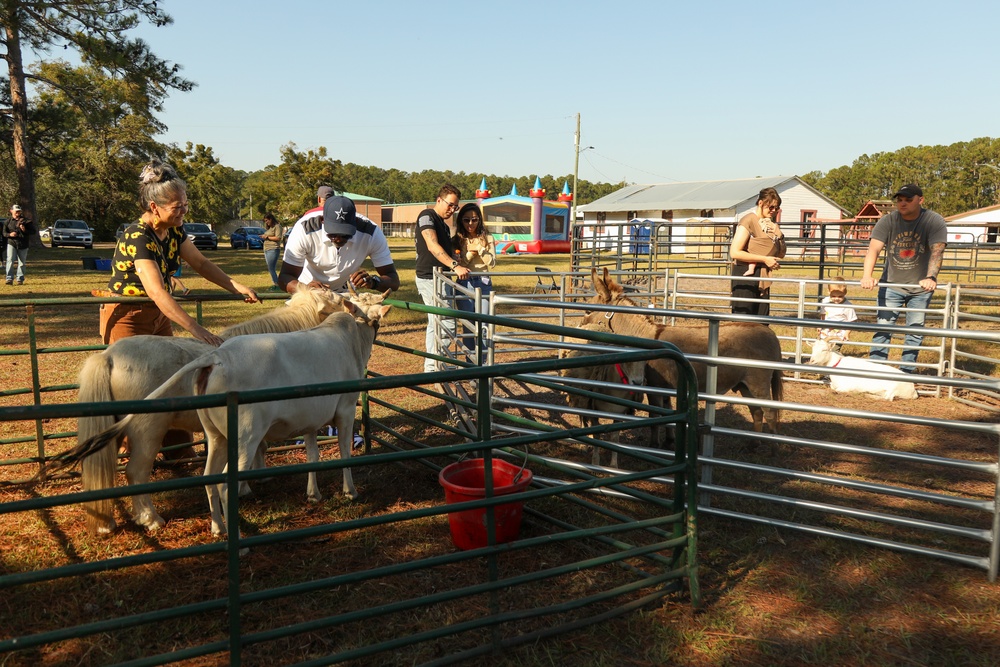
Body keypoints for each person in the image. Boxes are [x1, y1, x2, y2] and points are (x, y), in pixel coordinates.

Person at [101, 160, 259, 346]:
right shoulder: (139, 237)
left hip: (159, 313)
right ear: (154, 207)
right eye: (177, 207)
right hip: (128, 316)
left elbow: (201, 263)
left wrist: (235, 286)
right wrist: (196, 329)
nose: (184, 211)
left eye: (185, 204)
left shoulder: (174, 230)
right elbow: (157, 292)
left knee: (168, 370)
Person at [861, 184, 947, 373]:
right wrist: (867, 276)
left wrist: (931, 277)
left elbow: (937, 251)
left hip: (920, 288)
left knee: (915, 331)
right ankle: (876, 372)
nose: (903, 203)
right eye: (900, 200)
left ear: (920, 200)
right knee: (883, 328)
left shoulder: (933, 221)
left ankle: (906, 372)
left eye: (908, 199)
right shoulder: (888, 221)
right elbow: (873, 249)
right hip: (892, 284)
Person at [278, 195, 399, 294]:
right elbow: (285, 277)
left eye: (346, 234)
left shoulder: (372, 233)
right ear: (322, 221)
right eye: (332, 234)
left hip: (345, 293)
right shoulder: (304, 230)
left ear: (355, 223)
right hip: (308, 291)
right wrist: (304, 289)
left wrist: (374, 281)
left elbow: (393, 280)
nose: (339, 239)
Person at [415, 184, 469, 372]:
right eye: (450, 205)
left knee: (436, 321)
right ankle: (435, 366)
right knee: (446, 322)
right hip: (430, 278)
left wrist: (454, 259)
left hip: (441, 277)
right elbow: (431, 245)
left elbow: (442, 252)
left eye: (456, 207)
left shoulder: (445, 227)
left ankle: (434, 364)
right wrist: (455, 266)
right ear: (439, 200)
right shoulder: (426, 216)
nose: (452, 210)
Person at [729, 187, 787, 316]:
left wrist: (779, 235)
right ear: (760, 203)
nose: (773, 211)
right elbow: (734, 252)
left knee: (762, 321)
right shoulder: (749, 220)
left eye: (776, 208)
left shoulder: (770, 224)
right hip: (745, 274)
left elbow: (780, 253)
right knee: (743, 320)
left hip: (762, 275)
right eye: (770, 207)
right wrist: (765, 259)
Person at [452, 202, 495, 350]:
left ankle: (482, 364)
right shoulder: (457, 239)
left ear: (479, 220)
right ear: (461, 221)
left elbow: (492, 262)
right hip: (464, 282)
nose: (471, 223)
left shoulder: (488, 237)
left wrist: (480, 249)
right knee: (468, 326)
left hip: (483, 282)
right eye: (466, 220)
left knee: (484, 325)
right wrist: (470, 254)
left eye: (475, 219)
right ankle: (470, 364)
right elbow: (458, 263)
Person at [818, 277, 858, 347]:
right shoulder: (825, 301)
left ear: (845, 293)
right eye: (833, 296)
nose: (836, 299)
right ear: (829, 291)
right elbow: (823, 314)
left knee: (834, 350)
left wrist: (847, 333)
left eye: (840, 296)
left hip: (839, 334)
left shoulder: (848, 306)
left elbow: (852, 321)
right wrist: (820, 325)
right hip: (826, 332)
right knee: (822, 348)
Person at [5, 204, 35, 286]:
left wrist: (24, 230)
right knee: (10, 260)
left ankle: (20, 279)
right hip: (12, 243)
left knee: (22, 262)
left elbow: (33, 231)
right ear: (11, 211)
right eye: (16, 211)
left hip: (23, 244)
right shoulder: (8, 222)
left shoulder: (26, 221)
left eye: (19, 211)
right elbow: (4, 233)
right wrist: (9, 235)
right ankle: (9, 278)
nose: (18, 212)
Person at [260, 212, 284, 290]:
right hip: (267, 249)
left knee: (271, 268)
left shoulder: (277, 226)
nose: (266, 222)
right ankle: (276, 283)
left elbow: (278, 238)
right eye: (265, 221)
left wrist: (267, 237)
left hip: (273, 249)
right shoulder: (270, 228)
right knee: (270, 267)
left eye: (267, 220)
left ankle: (277, 284)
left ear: (271, 219)